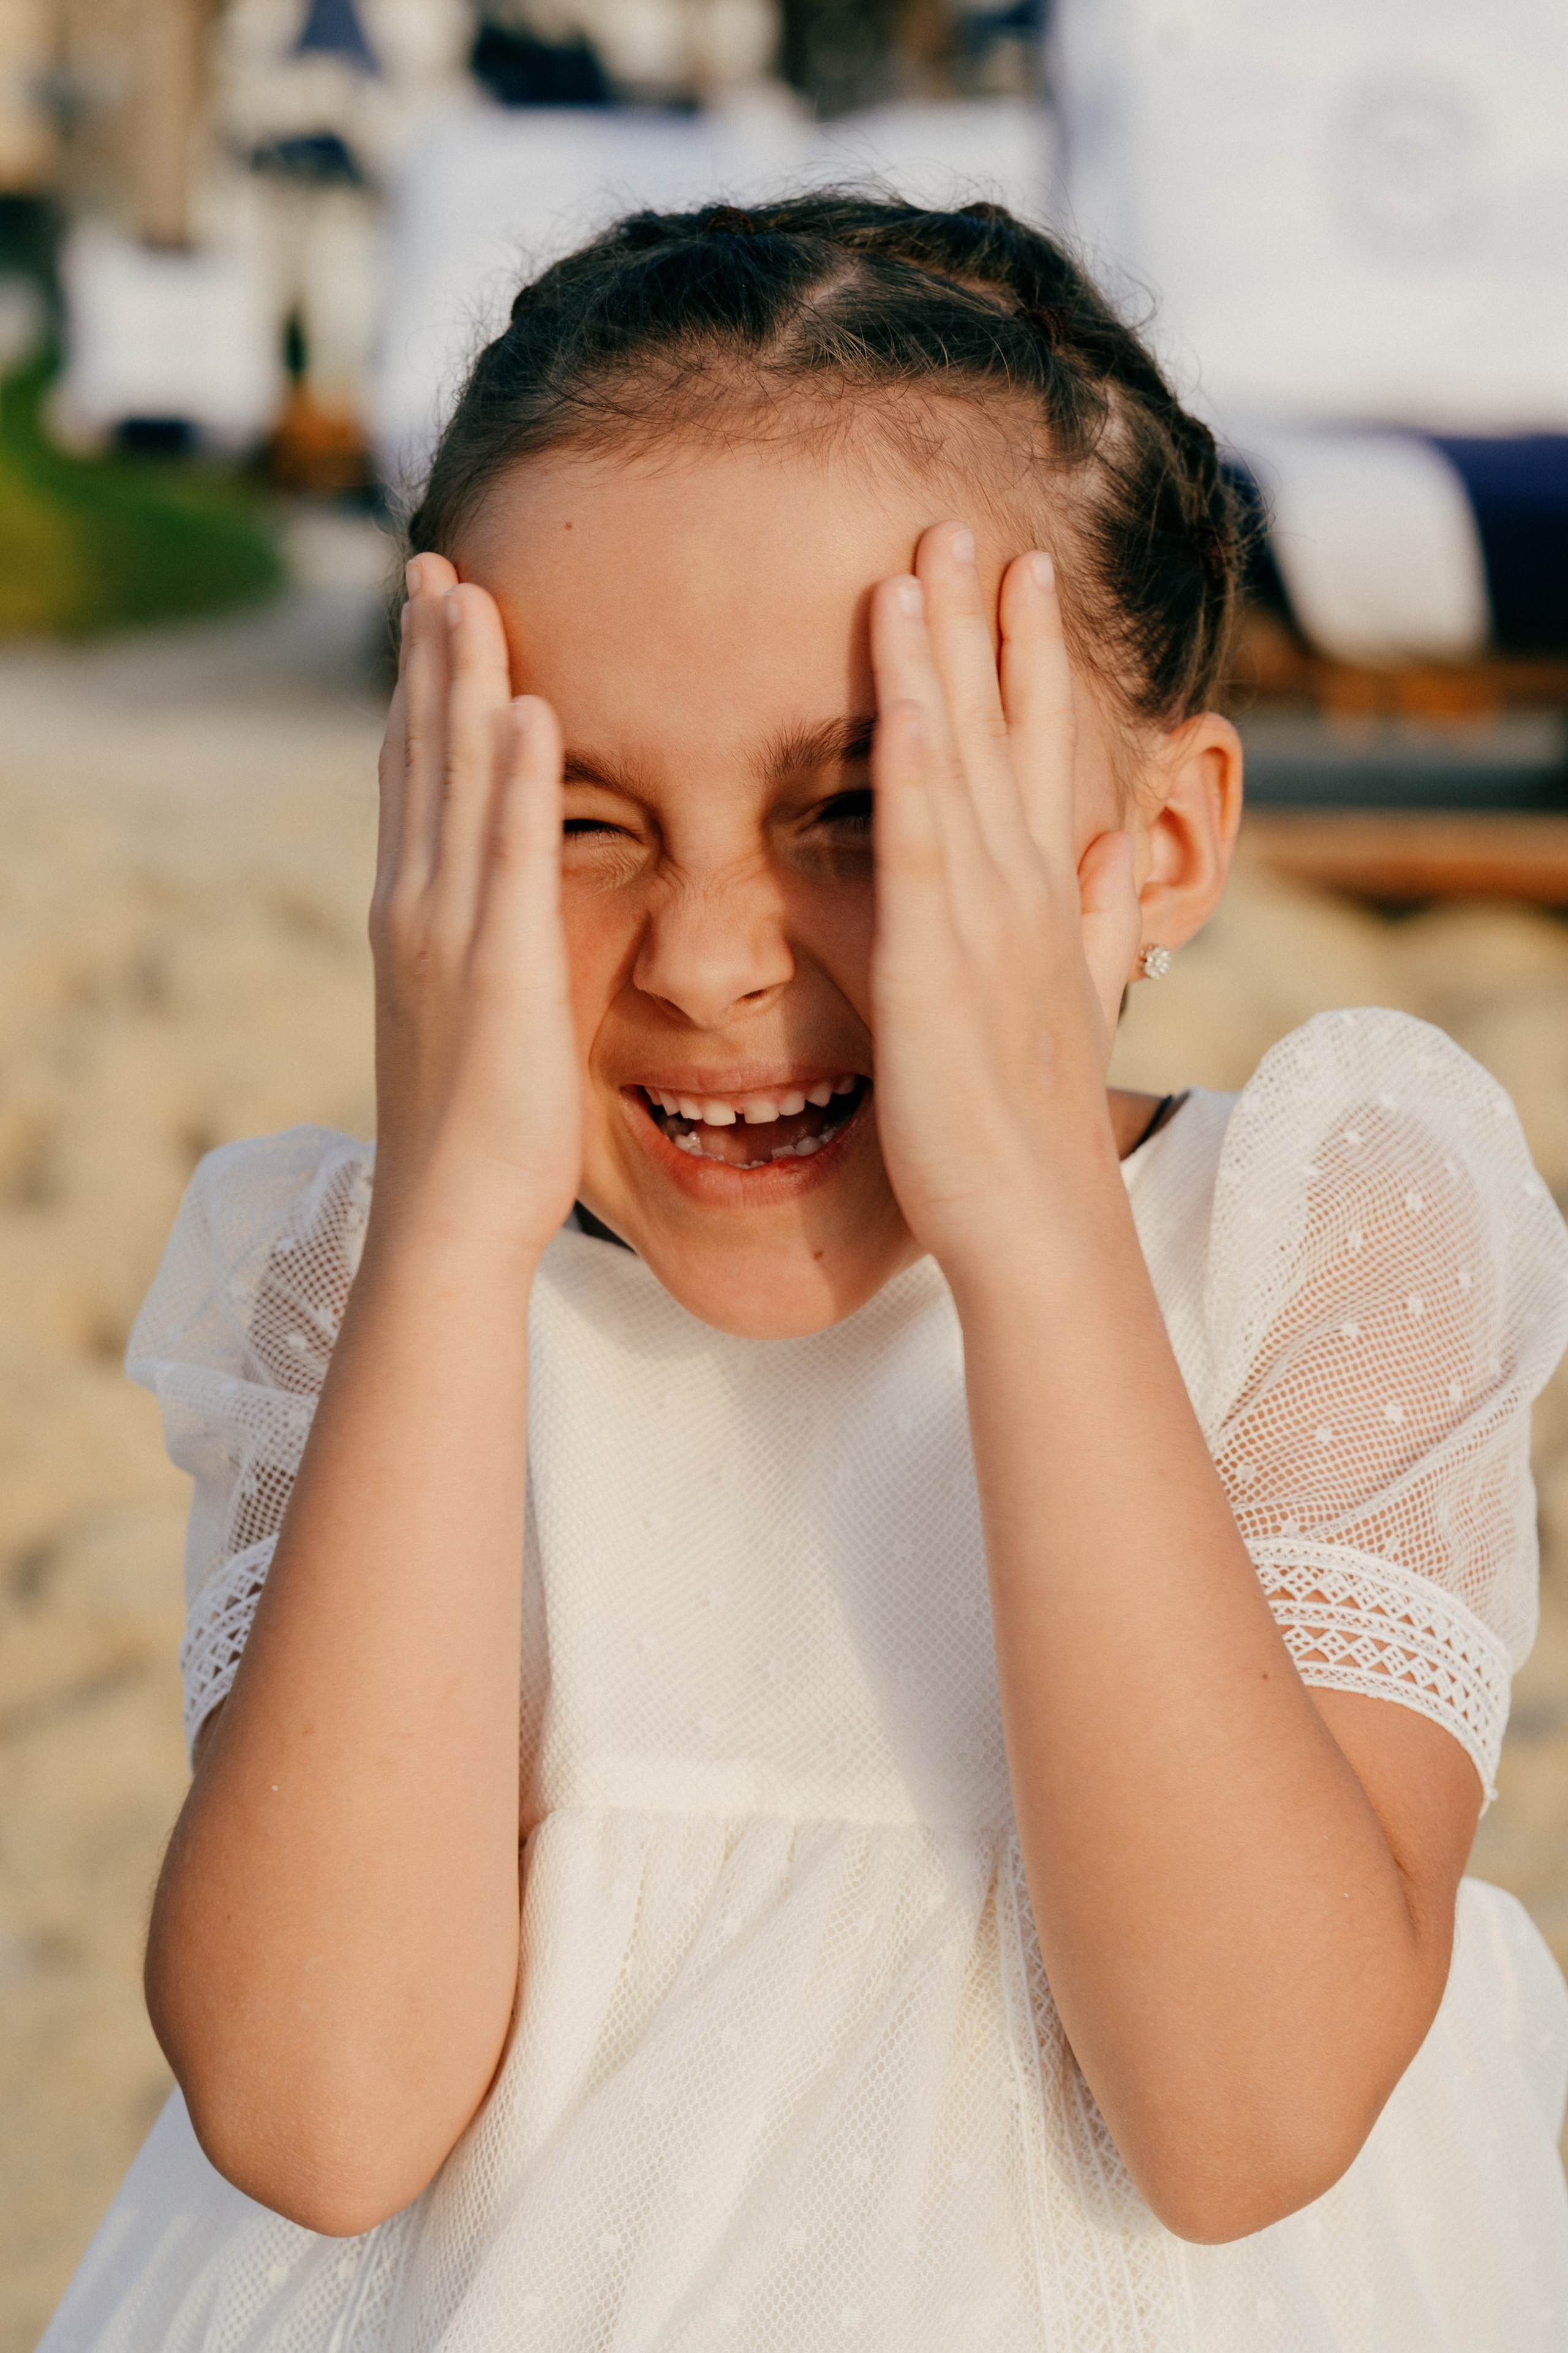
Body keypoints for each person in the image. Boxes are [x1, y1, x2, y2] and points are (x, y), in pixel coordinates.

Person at [40, 195, 1568, 2352]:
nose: (706, 953)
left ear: (1162, 850)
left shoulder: (1319, 1236)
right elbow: (313, 2110)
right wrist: (456, 1245)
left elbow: (1245, 2112)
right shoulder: (370, 1298)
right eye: (577, 819)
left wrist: (1038, 1231)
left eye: (866, 808)